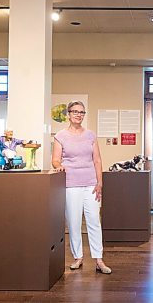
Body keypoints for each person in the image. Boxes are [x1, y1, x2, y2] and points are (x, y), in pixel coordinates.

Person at [51, 101, 112, 274]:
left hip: (91, 183)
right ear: (68, 114)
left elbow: (97, 160)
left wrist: (99, 182)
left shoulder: (91, 135)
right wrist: (59, 165)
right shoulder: (60, 136)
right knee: (74, 222)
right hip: (71, 184)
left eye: (82, 112)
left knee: (94, 221)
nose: (78, 114)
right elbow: (55, 159)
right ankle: (78, 257)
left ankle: (99, 259)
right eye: (75, 111)